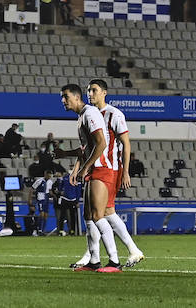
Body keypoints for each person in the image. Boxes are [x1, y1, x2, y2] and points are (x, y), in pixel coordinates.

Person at [59, 83, 121, 273]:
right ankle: (94, 261)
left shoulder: (90, 113)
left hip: (101, 168)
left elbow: (101, 143)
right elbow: (86, 148)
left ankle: (114, 261)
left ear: (77, 97)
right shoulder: (82, 116)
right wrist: (65, 154)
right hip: (94, 169)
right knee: (88, 217)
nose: (63, 100)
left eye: (66, 97)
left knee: (97, 215)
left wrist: (85, 167)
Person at [84, 79, 144, 267]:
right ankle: (128, 251)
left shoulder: (114, 114)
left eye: (94, 90)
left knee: (102, 213)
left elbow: (126, 144)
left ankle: (109, 256)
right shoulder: (91, 114)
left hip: (110, 169)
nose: (90, 94)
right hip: (98, 168)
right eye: (88, 90)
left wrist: (126, 172)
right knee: (103, 212)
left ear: (104, 92)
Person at [56, 170, 82, 236]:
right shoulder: (65, 178)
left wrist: (77, 201)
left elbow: (78, 190)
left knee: (72, 216)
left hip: (73, 199)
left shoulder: (76, 178)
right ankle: (61, 230)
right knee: (62, 216)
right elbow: (60, 188)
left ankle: (72, 230)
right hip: (65, 199)